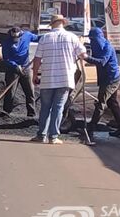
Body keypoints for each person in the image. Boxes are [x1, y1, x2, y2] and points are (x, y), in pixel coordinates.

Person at [31, 15, 87, 144]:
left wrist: (35, 75)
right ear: (63, 23)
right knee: (58, 108)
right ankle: (53, 137)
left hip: (47, 79)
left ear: (52, 24)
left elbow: (37, 59)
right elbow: (83, 55)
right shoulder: (72, 37)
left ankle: (41, 135)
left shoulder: (45, 38)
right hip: (65, 79)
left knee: (45, 107)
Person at [85, 27, 120, 142]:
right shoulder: (96, 46)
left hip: (111, 79)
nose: (92, 42)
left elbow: (102, 62)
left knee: (101, 103)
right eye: (90, 40)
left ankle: (91, 127)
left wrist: (87, 58)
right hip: (105, 78)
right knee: (112, 103)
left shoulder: (107, 47)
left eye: (93, 39)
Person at [1, 26, 39, 117]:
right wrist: (15, 66)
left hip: (26, 67)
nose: (14, 39)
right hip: (12, 69)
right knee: (10, 91)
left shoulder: (27, 36)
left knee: (30, 91)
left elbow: (38, 38)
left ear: (20, 34)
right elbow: (6, 58)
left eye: (16, 37)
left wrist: (49, 36)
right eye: (13, 37)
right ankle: (6, 112)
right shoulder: (6, 42)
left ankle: (31, 113)